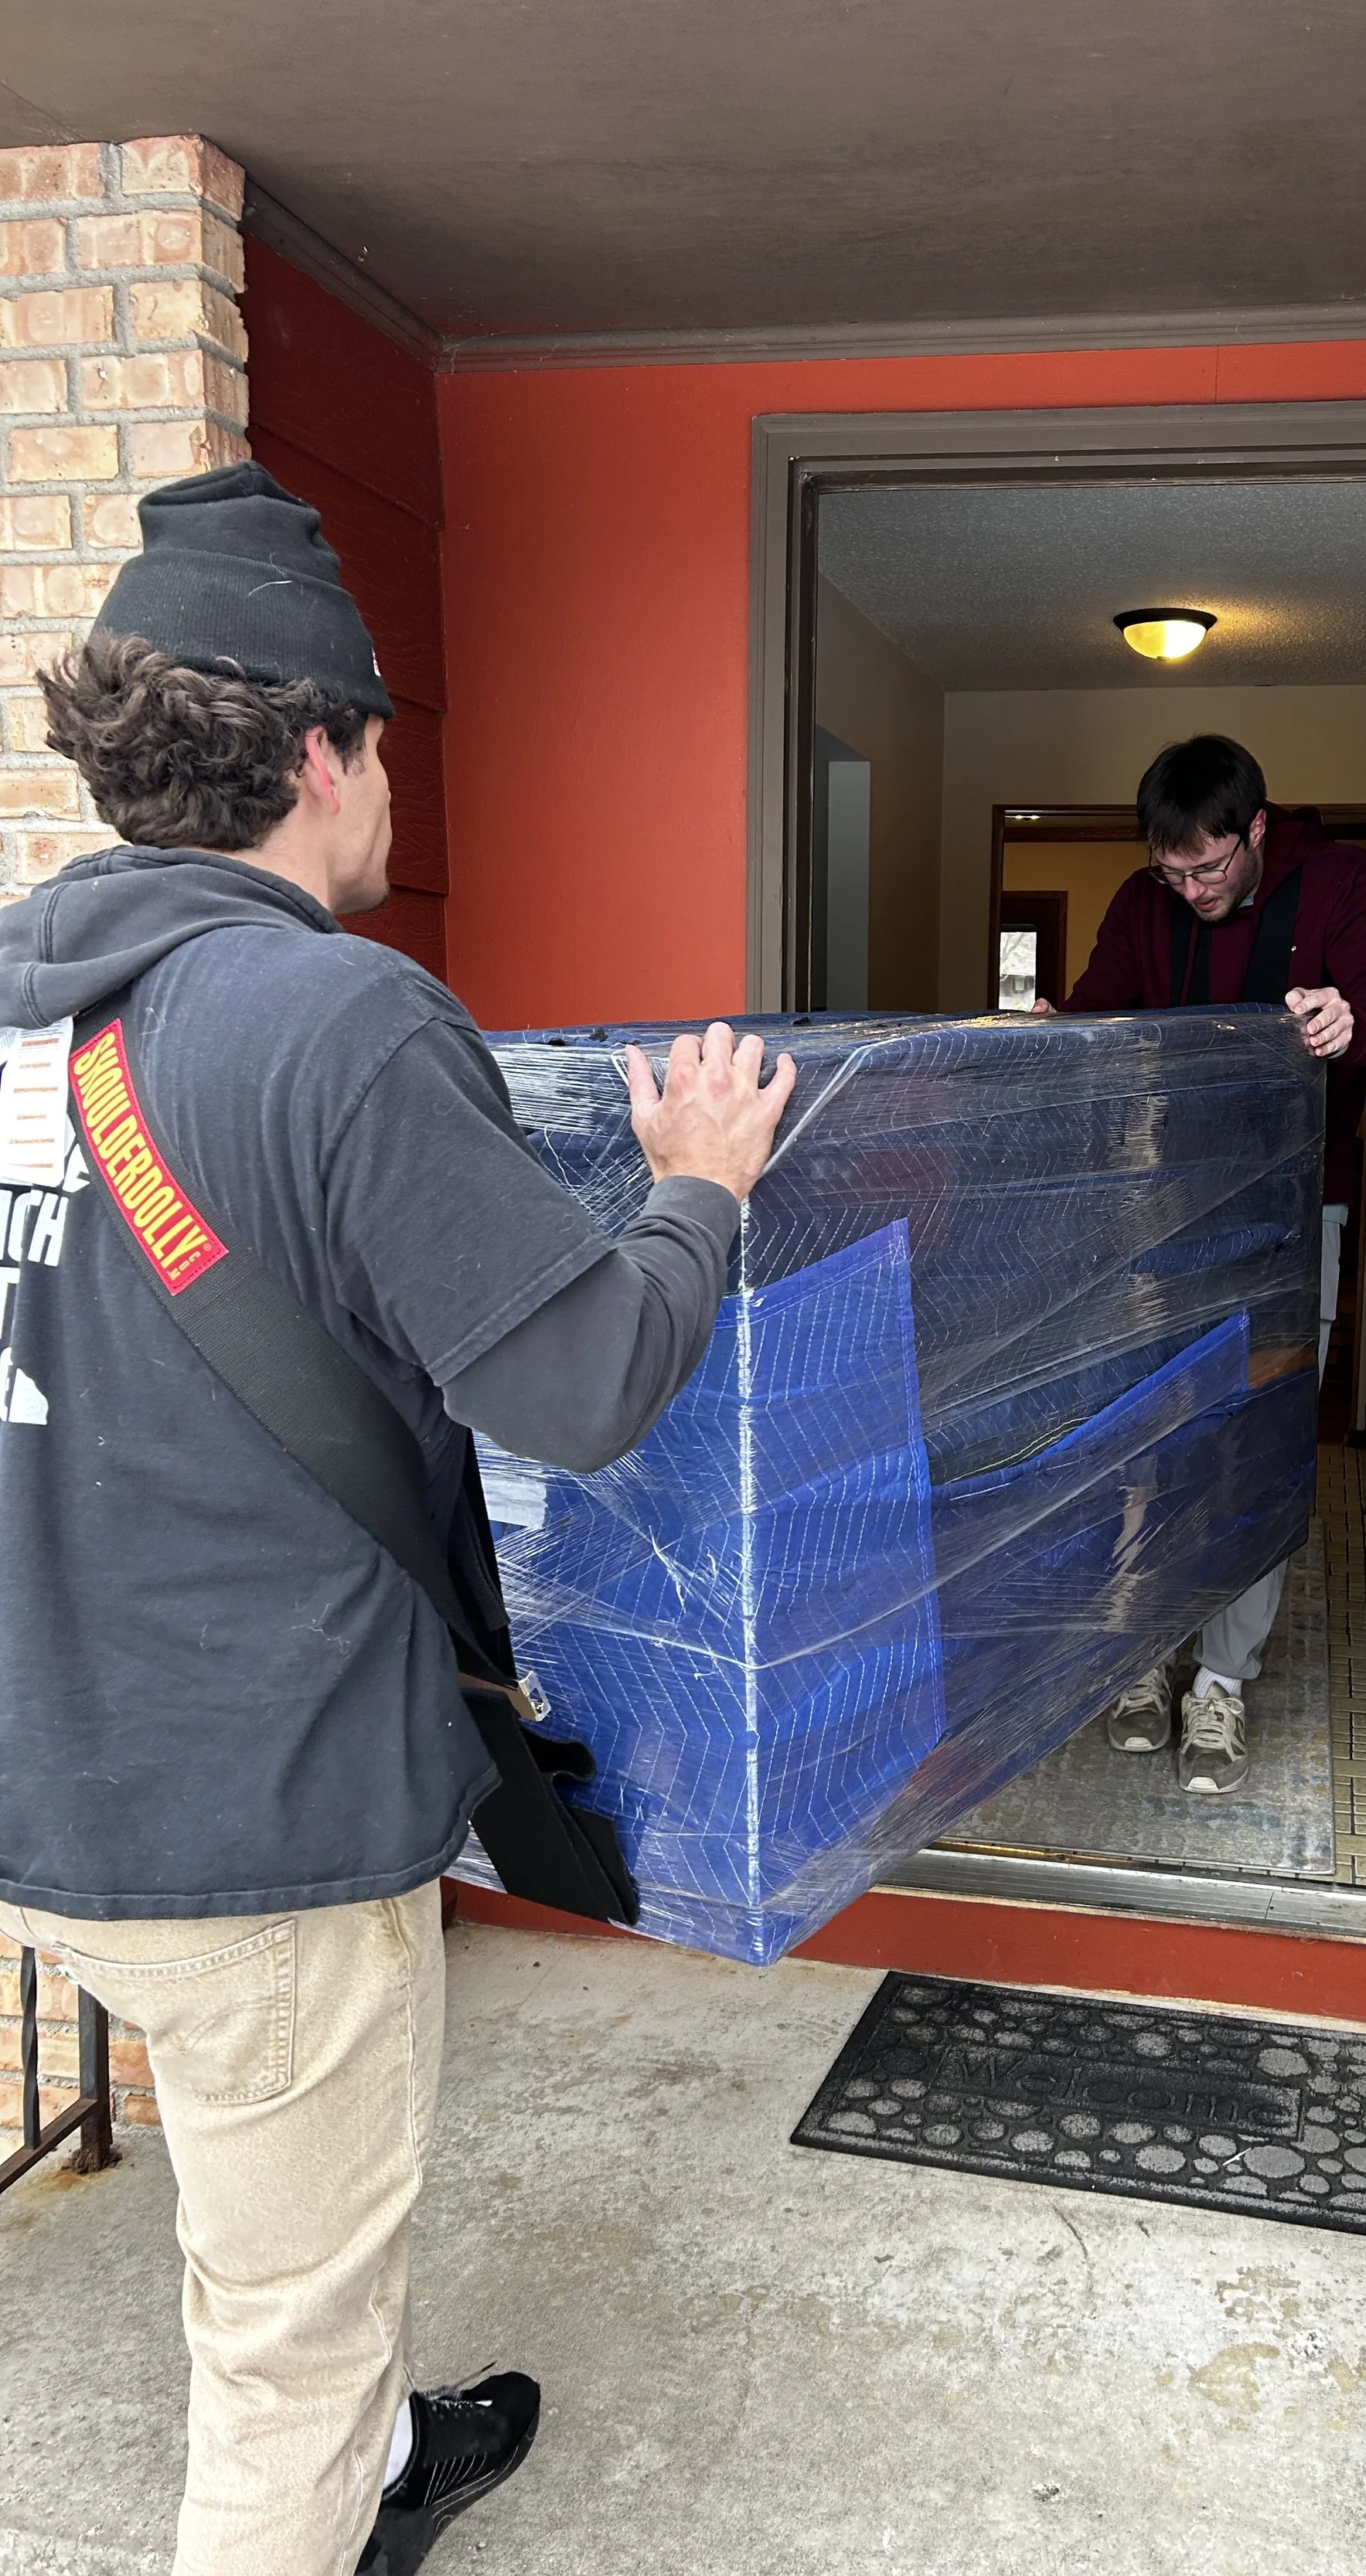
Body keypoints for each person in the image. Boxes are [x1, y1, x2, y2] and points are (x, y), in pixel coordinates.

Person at [0, 464, 795, 2576]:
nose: (389, 800)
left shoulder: (14, 999)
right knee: (280, 2324)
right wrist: (697, 1186)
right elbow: (580, 1386)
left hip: (48, 1768)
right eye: (387, 754)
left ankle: (369, 2450)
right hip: (248, 1819)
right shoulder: (338, 1020)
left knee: (281, 2245)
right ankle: (318, 2483)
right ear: (329, 746)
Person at [1048, 734, 1366, 1794]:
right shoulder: (1142, 904)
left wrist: (1353, 1017)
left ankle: (1221, 1682)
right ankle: (1137, 1659)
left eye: (1209, 868)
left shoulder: (1344, 881)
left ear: (1256, 832)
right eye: (1173, 872)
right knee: (1146, 1435)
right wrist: (1047, 1040)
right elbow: (1093, 1024)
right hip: (1156, 1216)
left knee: (1252, 1444)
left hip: (1294, 1213)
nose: (1191, 890)